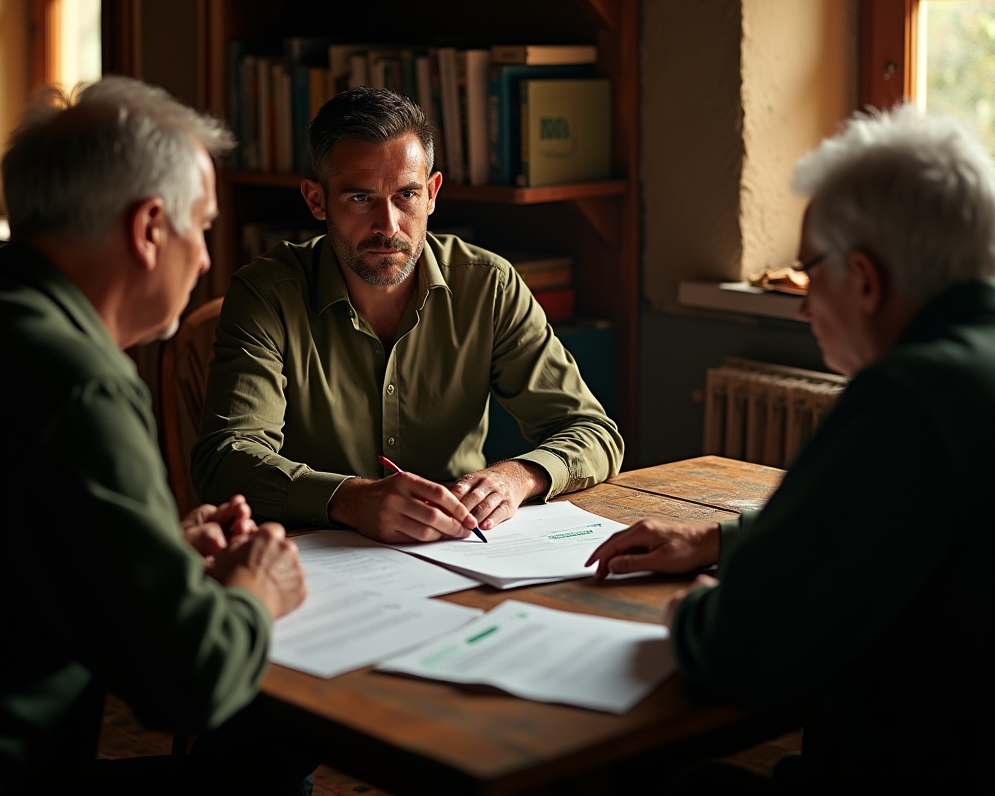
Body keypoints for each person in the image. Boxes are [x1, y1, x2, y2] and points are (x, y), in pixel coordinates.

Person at [587, 108, 995, 792]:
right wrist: (723, 541)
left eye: (809, 273)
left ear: (864, 277)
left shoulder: (907, 394)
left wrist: (694, 611)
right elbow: (890, 532)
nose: (804, 308)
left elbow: (739, 652)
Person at [0, 78, 312, 795]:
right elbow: (187, 686)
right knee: (269, 755)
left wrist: (157, 555)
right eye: (203, 226)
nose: (210, 261)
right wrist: (256, 588)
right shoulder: (81, 383)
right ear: (150, 228)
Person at [192, 87, 623, 541]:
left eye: (406, 195)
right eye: (360, 198)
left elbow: (591, 430)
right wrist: (351, 499)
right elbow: (226, 457)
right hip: (311, 557)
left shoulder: (488, 286)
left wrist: (518, 476)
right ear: (316, 200)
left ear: (432, 193)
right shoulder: (265, 295)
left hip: (459, 552)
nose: (388, 225)